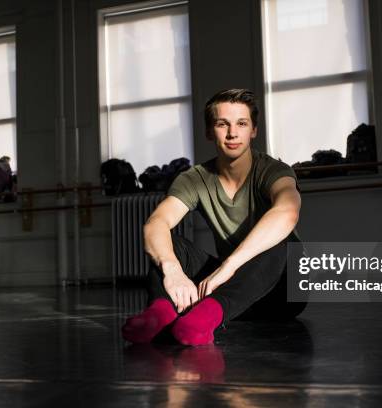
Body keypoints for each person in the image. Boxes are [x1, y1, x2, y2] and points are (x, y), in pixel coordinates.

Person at [122, 89, 306, 346]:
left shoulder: (273, 170)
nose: (232, 133)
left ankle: (204, 320)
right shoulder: (195, 178)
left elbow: (287, 212)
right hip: (232, 290)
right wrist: (172, 270)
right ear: (210, 131)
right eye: (222, 124)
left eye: (241, 123)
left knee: (282, 243)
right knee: (171, 245)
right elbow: (156, 223)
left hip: (282, 292)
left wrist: (228, 266)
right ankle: (159, 315)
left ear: (253, 130)